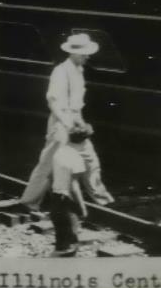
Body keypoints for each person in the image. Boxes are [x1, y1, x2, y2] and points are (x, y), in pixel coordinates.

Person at [18, 33, 114, 209]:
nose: (88, 56)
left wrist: (80, 123)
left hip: (75, 123)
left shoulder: (79, 70)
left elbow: (75, 104)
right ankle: (29, 201)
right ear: (74, 53)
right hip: (61, 125)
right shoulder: (60, 72)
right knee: (47, 165)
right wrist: (69, 124)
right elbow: (53, 102)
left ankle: (103, 200)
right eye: (84, 53)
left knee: (91, 161)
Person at [48, 124, 92, 257]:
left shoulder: (59, 151)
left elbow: (50, 176)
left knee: (61, 239)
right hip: (66, 201)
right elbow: (74, 185)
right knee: (71, 242)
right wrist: (82, 207)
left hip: (55, 198)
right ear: (84, 141)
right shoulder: (77, 158)